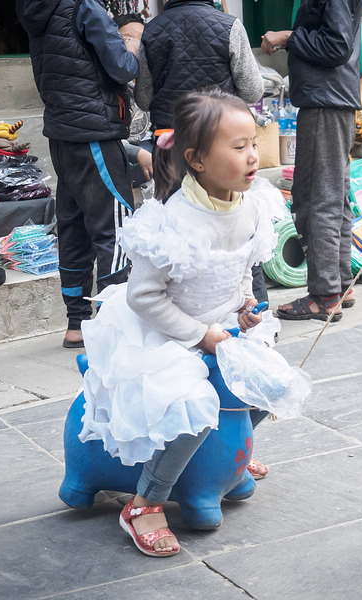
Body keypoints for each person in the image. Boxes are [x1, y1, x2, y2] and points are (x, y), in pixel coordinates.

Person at [78, 89, 278, 556]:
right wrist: (200, 335)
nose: (253, 157)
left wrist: (245, 306)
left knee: (270, 383)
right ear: (197, 160)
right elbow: (143, 296)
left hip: (218, 327)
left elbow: (242, 267)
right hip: (166, 334)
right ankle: (146, 502)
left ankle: (229, 455)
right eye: (238, 147)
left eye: (253, 143)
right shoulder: (174, 223)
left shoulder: (252, 204)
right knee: (191, 408)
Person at [17, 0, 138, 348]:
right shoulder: (84, 8)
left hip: (62, 135)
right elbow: (122, 68)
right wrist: (130, 47)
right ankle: (115, 323)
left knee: (72, 227)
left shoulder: (40, 9)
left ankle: (76, 323)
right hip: (94, 131)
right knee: (114, 226)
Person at [134, 0, 266, 300]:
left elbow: (143, 97)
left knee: (177, 231)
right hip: (221, 150)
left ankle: (188, 317)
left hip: (170, 146)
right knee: (237, 224)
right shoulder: (229, 25)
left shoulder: (152, 30)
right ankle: (251, 309)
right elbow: (252, 90)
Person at [262, 0, 362, 322]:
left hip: (326, 100)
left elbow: (335, 45)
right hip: (332, 99)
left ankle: (324, 295)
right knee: (333, 196)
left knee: (316, 198)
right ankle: (339, 285)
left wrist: (287, 37)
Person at [113, 11, 154, 187]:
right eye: (127, 39)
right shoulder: (111, 87)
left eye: (141, 39)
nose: (136, 45)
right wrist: (136, 153)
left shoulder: (156, 81)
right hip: (126, 154)